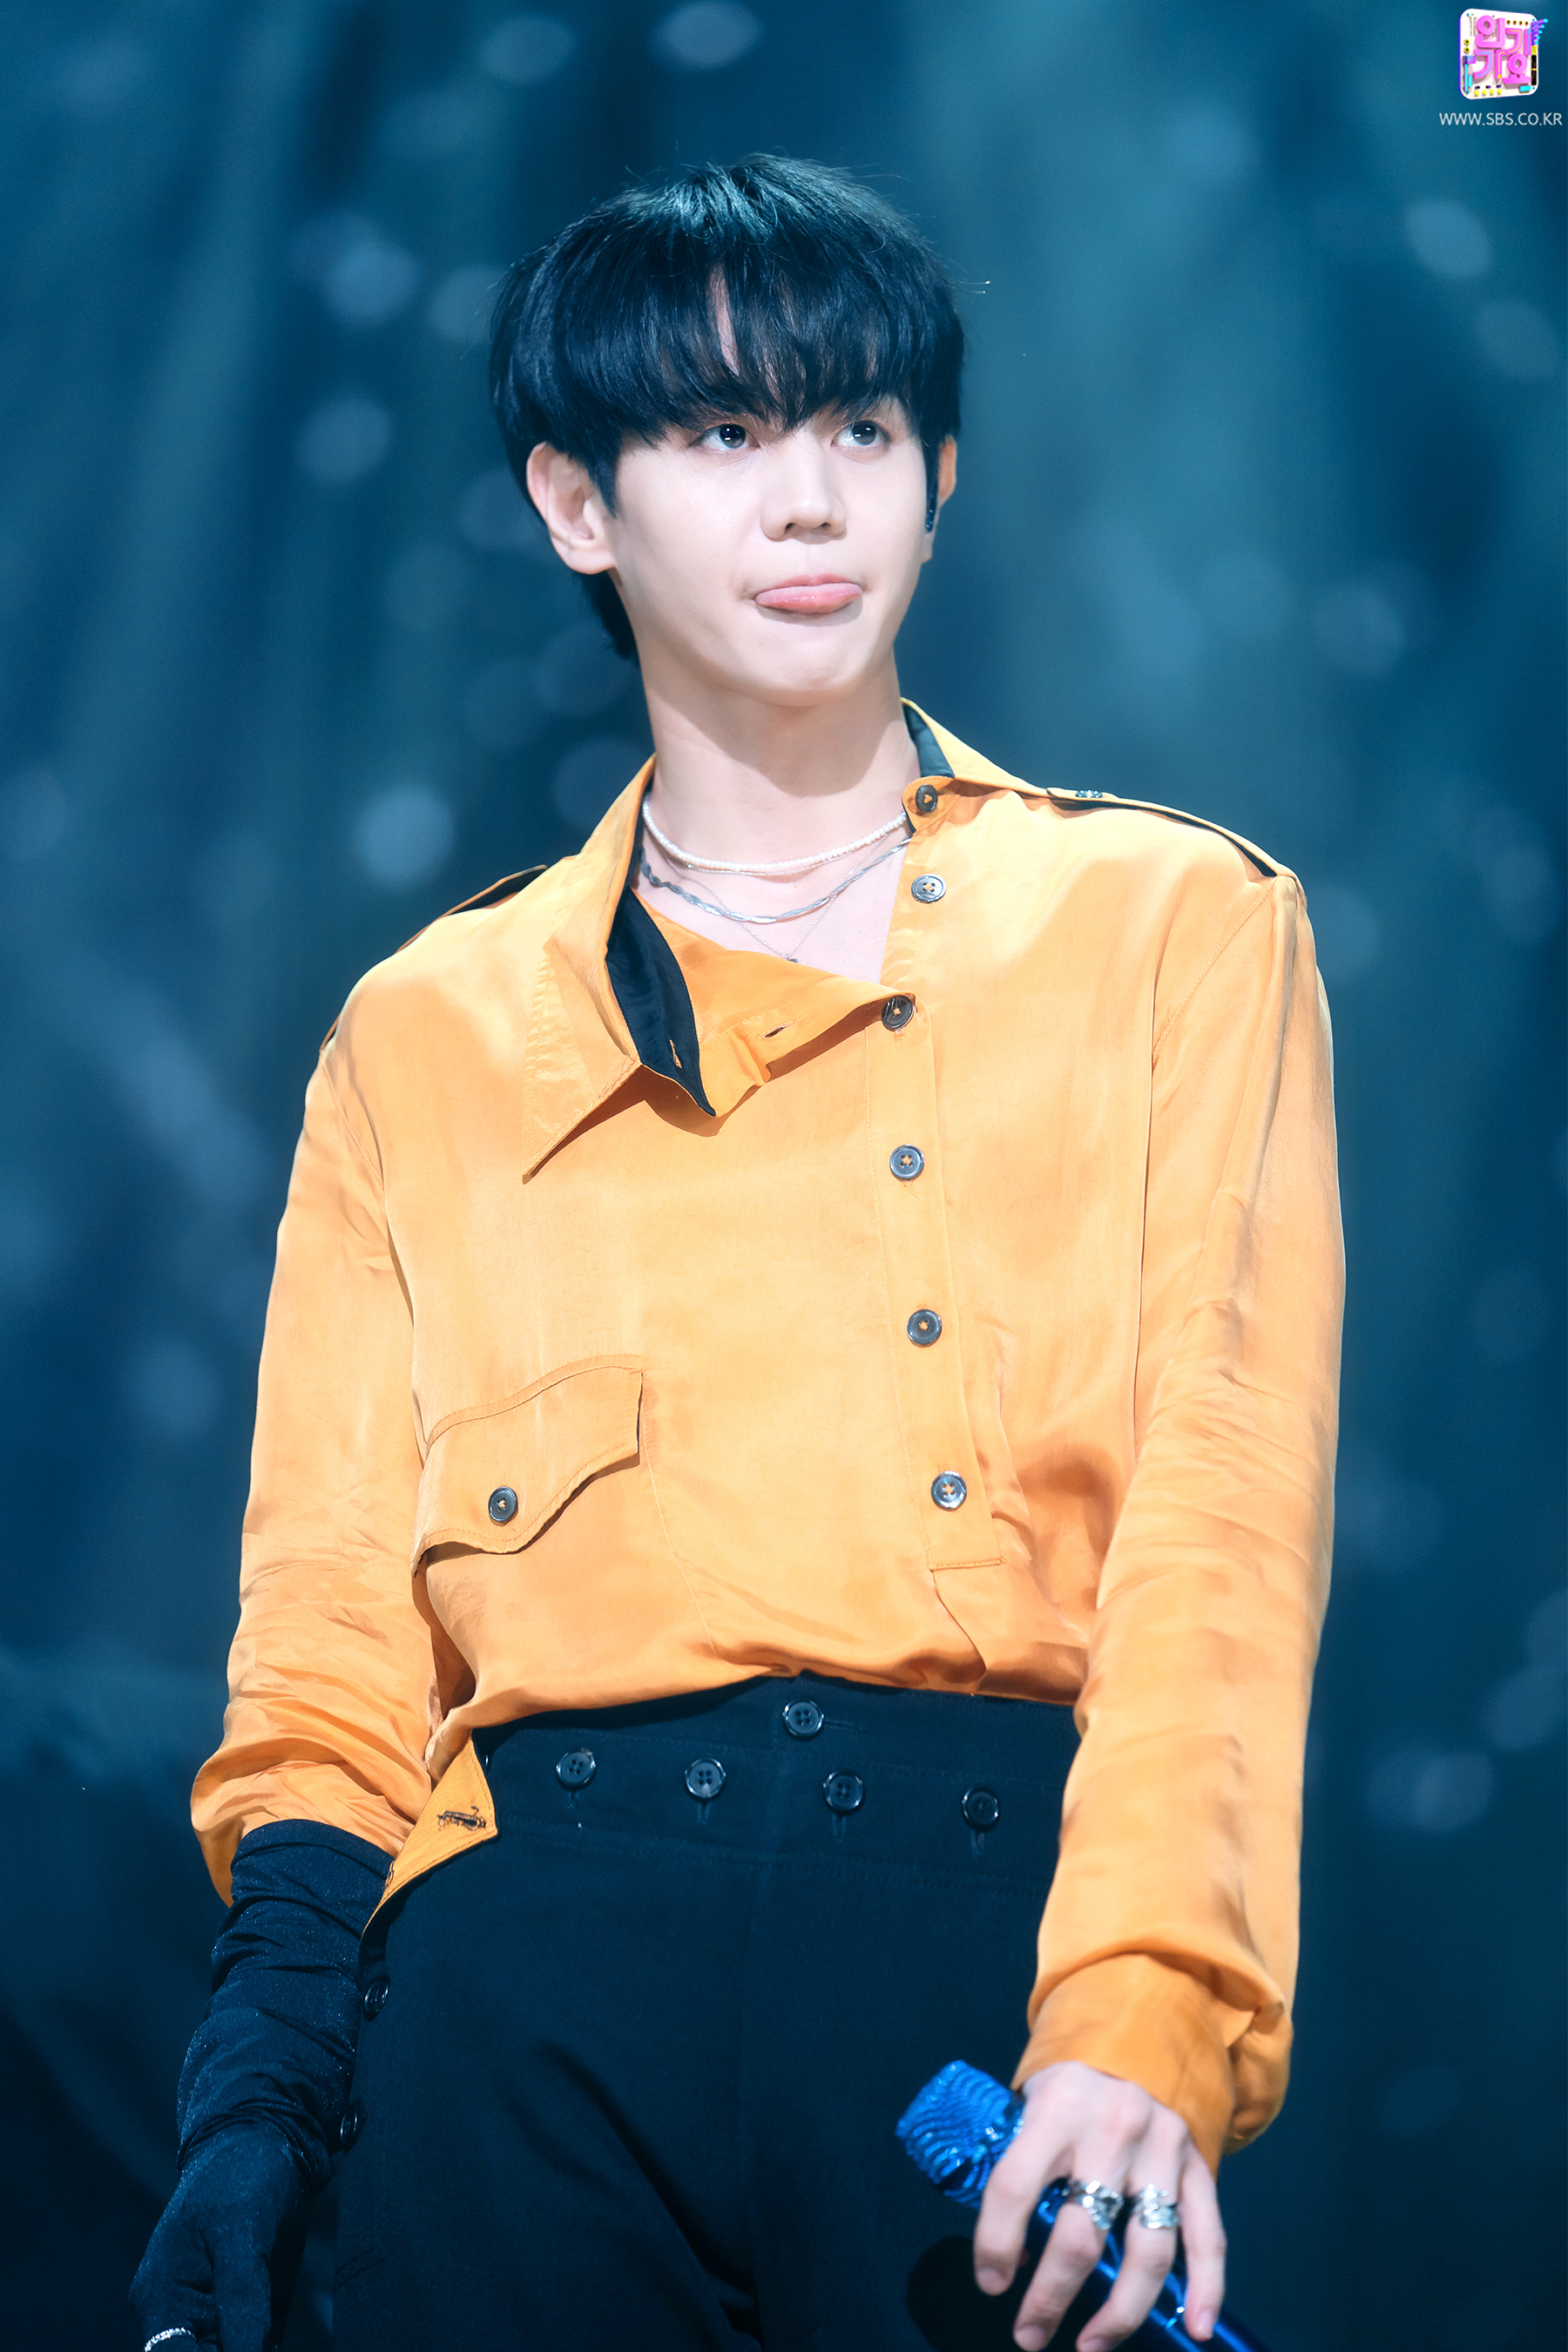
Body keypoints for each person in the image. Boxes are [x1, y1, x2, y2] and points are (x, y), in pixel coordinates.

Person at [132, 155, 1342, 2352]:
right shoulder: (428, 1029)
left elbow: (1223, 1504)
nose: (810, 500)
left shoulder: (1172, 925)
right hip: (521, 2009)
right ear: (574, 503)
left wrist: (1148, 2010)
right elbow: (326, 1645)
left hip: (975, 1969)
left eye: (862, 426)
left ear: (942, 476)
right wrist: (259, 2096)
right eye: (719, 431)